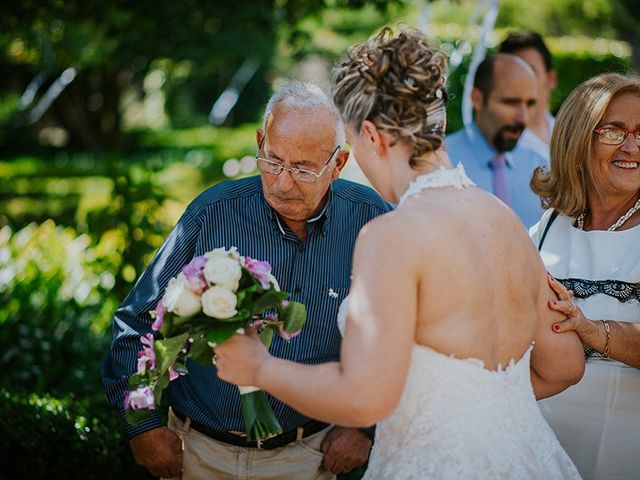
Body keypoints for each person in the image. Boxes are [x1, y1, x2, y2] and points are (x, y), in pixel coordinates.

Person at [215, 28, 585, 479]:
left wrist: (260, 366)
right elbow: (565, 365)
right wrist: (478, 406)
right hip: (525, 459)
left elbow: (366, 398)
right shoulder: (505, 221)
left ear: (371, 134)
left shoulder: (392, 235)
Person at [102, 81, 393, 479]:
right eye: (272, 160)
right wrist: (142, 425)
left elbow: (397, 340)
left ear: (338, 164)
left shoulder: (372, 221)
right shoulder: (213, 214)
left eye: (303, 169)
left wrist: (365, 427)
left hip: (309, 455)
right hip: (198, 451)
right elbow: (136, 321)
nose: (282, 182)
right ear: (260, 142)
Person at [529, 72, 640, 479]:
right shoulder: (545, 229)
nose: (632, 146)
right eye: (614, 131)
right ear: (578, 136)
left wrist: (594, 331)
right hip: (544, 455)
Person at [446, 53, 548, 228]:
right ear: (477, 99)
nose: (523, 117)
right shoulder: (442, 162)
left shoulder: (541, 167)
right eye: (511, 102)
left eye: (530, 104)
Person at [500, 31, 557, 161]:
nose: (521, 80)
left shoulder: (571, 134)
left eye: (530, 70)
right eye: (513, 72)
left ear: (551, 78)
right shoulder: (500, 144)